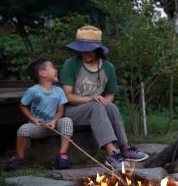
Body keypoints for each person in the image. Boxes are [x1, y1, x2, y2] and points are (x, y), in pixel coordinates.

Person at [59, 25, 148, 170]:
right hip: (72, 112)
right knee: (96, 105)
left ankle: (125, 148)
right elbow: (67, 97)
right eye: (81, 49)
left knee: (110, 106)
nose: (84, 52)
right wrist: (92, 99)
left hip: (96, 109)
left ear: (97, 49)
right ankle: (112, 153)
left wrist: (104, 101)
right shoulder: (71, 64)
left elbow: (110, 94)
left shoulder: (108, 67)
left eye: (88, 49)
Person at [6, 59, 73, 171]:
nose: (56, 69)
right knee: (23, 129)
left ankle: (62, 156)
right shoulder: (33, 91)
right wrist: (33, 119)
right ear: (42, 73)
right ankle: (20, 157)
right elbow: (23, 105)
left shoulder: (59, 91)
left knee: (67, 121)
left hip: (54, 125)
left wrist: (55, 121)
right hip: (38, 126)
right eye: (52, 67)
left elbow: (61, 110)